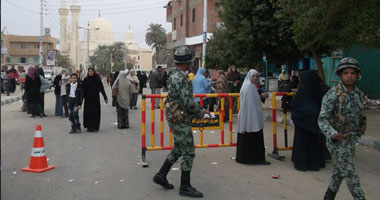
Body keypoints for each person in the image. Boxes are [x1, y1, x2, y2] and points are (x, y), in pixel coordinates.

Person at [153, 46, 209, 198]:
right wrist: (200, 112)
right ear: (187, 62)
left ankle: (161, 174)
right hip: (180, 117)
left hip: (173, 114)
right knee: (189, 151)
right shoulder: (181, 78)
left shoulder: (172, 74)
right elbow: (189, 102)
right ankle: (185, 185)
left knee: (178, 147)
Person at [318, 57, 367, 200]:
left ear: (357, 75)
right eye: (346, 73)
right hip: (337, 141)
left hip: (351, 140)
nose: (349, 76)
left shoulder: (358, 94)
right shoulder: (333, 94)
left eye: (353, 73)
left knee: (338, 172)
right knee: (351, 175)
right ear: (340, 74)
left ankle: (328, 197)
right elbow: (322, 119)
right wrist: (333, 134)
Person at [290, 70, 325, 171]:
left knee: (302, 141)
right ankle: (315, 163)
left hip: (303, 118)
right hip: (315, 116)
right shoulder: (318, 87)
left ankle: (302, 163)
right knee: (314, 141)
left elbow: (297, 103)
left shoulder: (304, 88)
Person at [235, 69, 270, 165]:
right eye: (253, 76)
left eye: (256, 76)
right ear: (249, 77)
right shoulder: (249, 87)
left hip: (248, 117)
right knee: (253, 135)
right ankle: (255, 159)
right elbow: (251, 105)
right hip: (251, 117)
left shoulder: (248, 86)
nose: (255, 78)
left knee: (248, 136)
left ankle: (246, 158)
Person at [82, 67, 108, 132]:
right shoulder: (85, 80)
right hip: (88, 99)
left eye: (92, 71)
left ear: (94, 72)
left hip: (95, 99)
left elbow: (102, 89)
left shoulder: (97, 80)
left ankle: (95, 126)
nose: (90, 72)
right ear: (88, 72)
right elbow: (82, 90)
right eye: (89, 71)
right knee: (88, 112)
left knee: (95, 112)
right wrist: (80, 100)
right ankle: (89, 126)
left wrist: (105, 98)